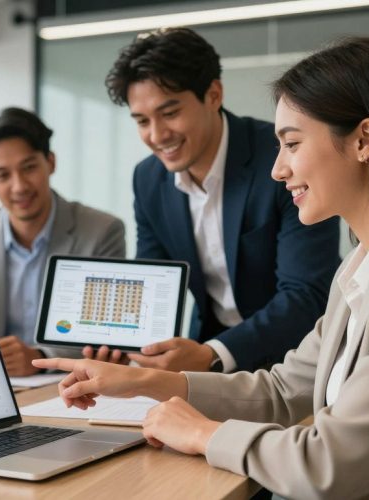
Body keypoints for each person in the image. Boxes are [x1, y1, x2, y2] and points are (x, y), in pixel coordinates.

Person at [35, 37, 369, 498]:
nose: (278, 169)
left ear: (364, 140)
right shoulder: (364, 262)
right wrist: (146, 383)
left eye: (293, 144)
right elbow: (282, 390)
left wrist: (202, 432)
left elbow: (331, 463)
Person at [94, 28, 340, 373]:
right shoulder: (148, 179)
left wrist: (212, 352)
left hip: (297, 359)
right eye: (142, 121)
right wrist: (123, 344)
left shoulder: (283, 159)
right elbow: (152, 283)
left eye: (169, 113)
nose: (156, 135)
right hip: (208, 356)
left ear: (213, 94)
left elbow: (306, 294)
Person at [0, 107, 126, 376]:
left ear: (51, 162)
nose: (19, 186)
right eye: (2, 175)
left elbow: (107, 332)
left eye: (29, 167)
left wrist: (39, 357)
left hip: (69, 382)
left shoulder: (101, 231)